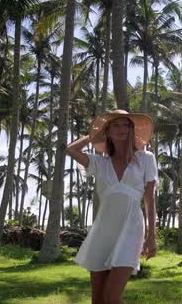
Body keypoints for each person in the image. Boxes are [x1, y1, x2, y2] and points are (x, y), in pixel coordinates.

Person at [66, 109, 158, 304]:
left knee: (112, 297)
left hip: (131, 227)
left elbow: (150, 199)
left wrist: (151, 237)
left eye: (126, 124)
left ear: (132, 130)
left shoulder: (146, 158)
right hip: (103, 231)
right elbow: (71, 150)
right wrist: (93, 136)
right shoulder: (100, 163)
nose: (121, 128)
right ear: (108, 131)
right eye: (115, 124)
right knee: (98, 300)